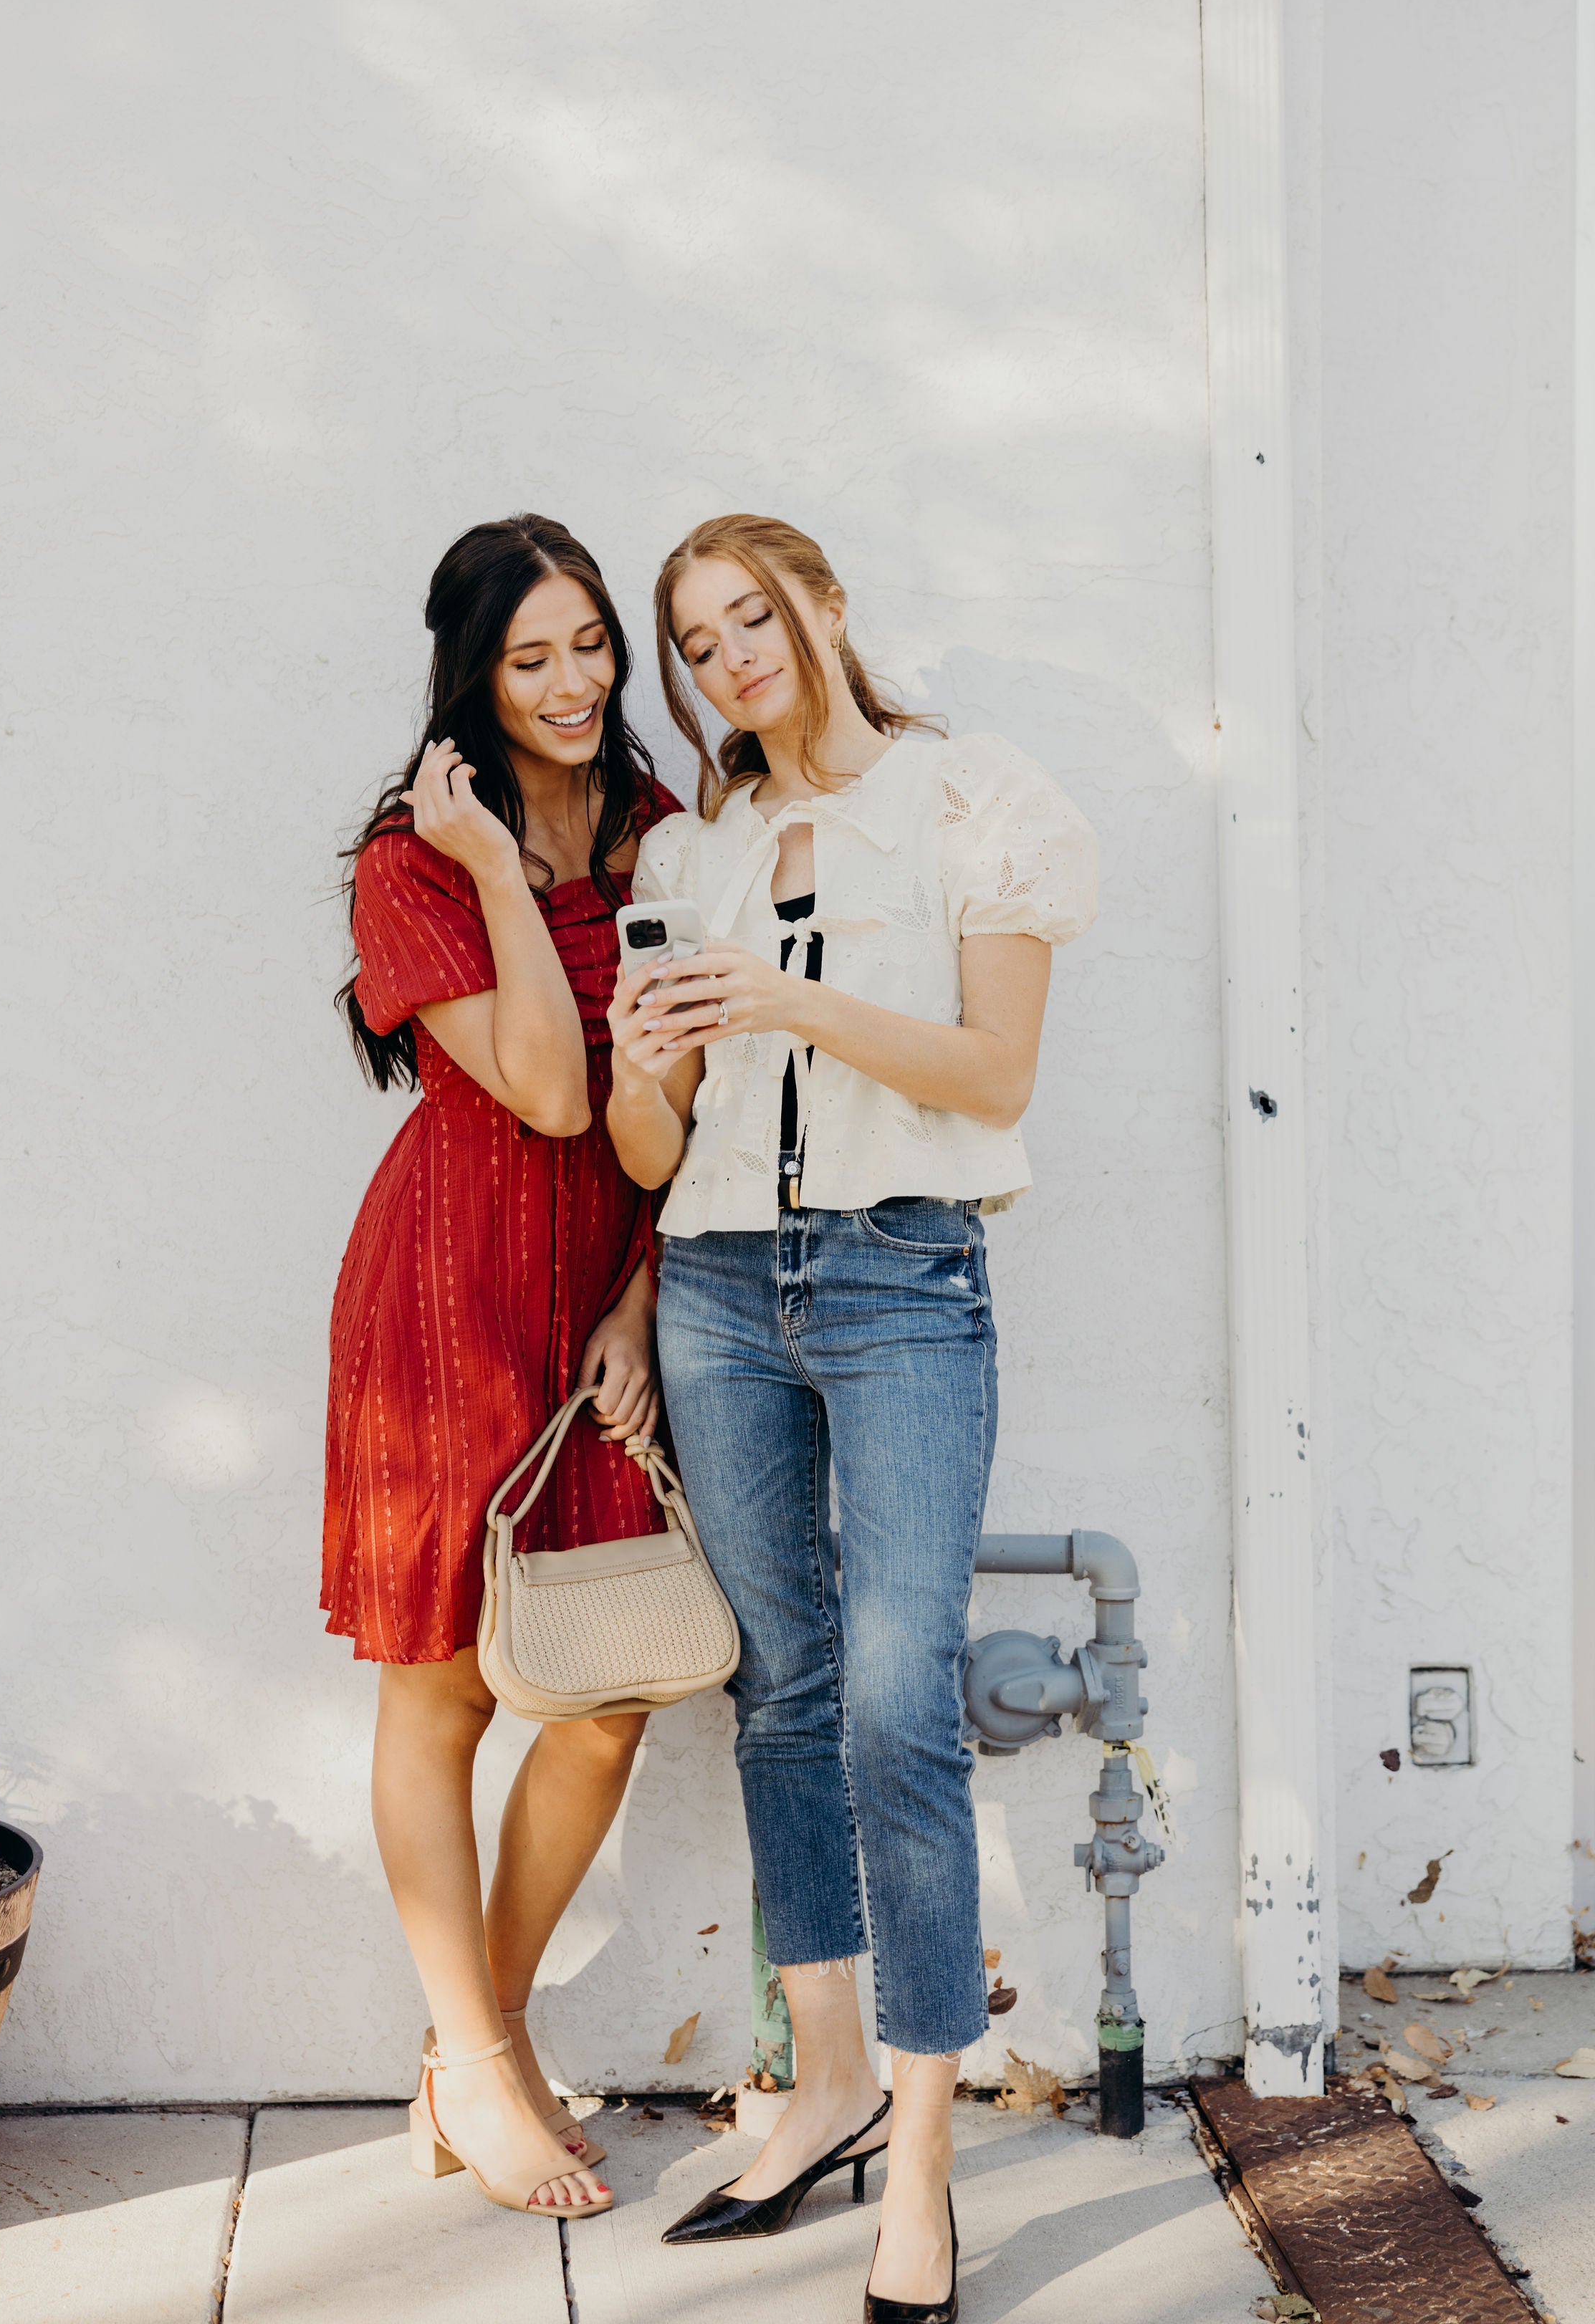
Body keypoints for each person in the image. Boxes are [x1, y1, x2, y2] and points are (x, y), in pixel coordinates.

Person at [605, 515, 1096, 2322]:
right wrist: (648, 1068)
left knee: (902, 1705)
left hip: (902, 1282)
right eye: (697, 638)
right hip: (722, 1288)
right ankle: (819, 2087)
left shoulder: (974, 801)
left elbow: (995, 1073)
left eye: (756, 615)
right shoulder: (691, 844)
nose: (732, 656)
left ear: (822, 609)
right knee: (784, 1690)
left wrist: (787, 997)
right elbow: (652, 1149)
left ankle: (922, 2157)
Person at [325, 514, 679, 2224]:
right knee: (445, 1688)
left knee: (605, 1694)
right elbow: (546, 1088)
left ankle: (486, 2032)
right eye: (529, 656)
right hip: (452, 1296)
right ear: (471, 673)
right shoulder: (412, 857)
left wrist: (650, 1302)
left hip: (609, 1296)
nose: (570, 684)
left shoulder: (664, 832)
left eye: (591, 645)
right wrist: (490, 873)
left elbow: (725, 1096)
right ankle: (475, 2062)